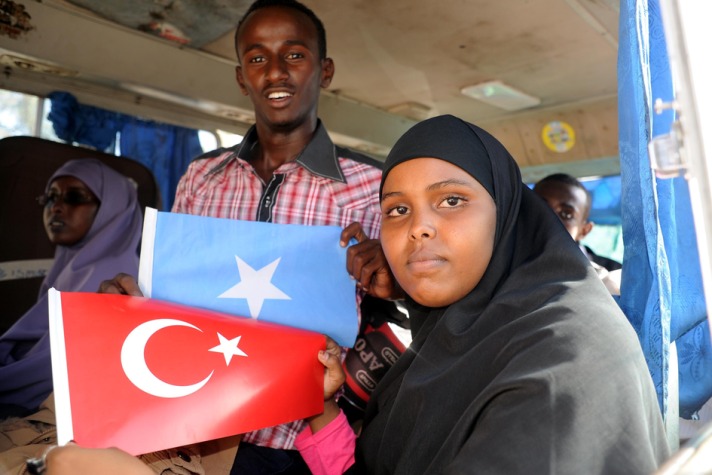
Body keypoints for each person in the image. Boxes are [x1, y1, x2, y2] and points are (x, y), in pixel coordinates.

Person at [43, 115, 672, 474]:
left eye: (452, 200)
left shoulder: (563, 367)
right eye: (396, 209)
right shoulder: (453, 337)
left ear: (506, 212)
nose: (418, 227)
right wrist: (321, 410)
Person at [98, 0, 394, 472]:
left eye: (294, 54)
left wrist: (391, 275)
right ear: (241, 78)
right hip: (196, 429)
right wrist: (128, 306)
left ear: (325, 71)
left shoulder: (372, 185)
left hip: (300, 439)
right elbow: (172, 297)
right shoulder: (201, 177)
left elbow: (410, 304)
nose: (275, 71)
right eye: (257, 58)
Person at [0, 158, 142, 417]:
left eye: (75, 197)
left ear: (111, 208)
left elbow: (54, 370)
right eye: (51, 198)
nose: (56, 208)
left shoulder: (114, 279)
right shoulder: (72, 266)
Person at [533, 173, 622, 294]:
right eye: (540, 207)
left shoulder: (612, 278)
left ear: (584, 230)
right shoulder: (509, 266)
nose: (549, 218)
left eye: (566, 214)